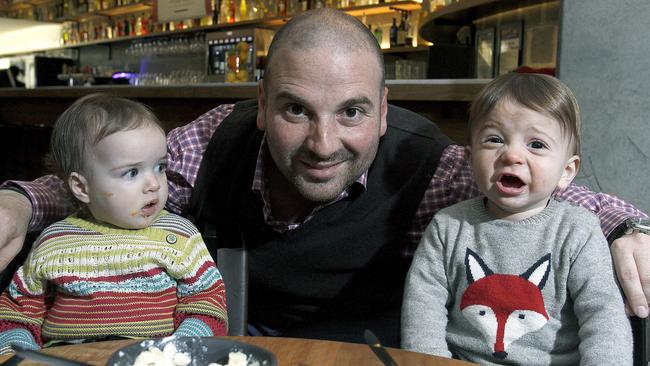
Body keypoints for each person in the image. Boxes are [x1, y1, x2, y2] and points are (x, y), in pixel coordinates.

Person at [0, 9, 647, 347]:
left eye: (353, 112)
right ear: (260, 105)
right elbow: (116, 176)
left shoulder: (425, 164)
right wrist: (23, 202)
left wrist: (627, 225)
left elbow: (541, 186)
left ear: (384, 110)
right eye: (294, 110)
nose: (323, 143)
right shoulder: (217, 136)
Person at [401, 73, 632, 364]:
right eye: (495, 139)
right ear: (470, 160)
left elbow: (603, 316)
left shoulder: (578, 231)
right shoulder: (448, 226)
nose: (512, 155)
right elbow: (422, 310)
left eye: (536, 144)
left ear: (566, 171)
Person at [0, 94, 228, 354]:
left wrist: (184, 345)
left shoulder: (179, 236)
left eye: (160, 167)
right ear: (81, 187)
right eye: (132, 172)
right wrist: (20, 353)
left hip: (154, 357)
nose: (154, 184)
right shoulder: (53, 241)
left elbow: (207, 300)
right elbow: (19, 309)